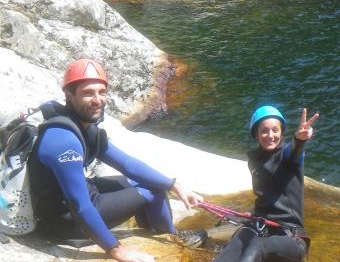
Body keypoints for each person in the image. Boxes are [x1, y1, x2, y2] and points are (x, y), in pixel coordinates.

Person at [28, 59, 207, 262]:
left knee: (150, 183)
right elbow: (80, 206)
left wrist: (175, 185)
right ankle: (170, 238)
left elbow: (127, 164)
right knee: (153, 192)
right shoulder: (64, 141)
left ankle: (154, 231)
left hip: (72, 201)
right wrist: (115, 249)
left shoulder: (83, 127)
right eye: (88, 93)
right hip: (67, 222)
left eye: (101, 92)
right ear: (69, 95)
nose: (97, 100)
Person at [213, 105, 319, 262]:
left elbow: (295, 150)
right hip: (261, 226)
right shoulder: (255, 160)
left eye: (275, 130)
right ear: (256, 134)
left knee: (257, 246)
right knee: (235, 244)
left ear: (282, 132)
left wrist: (299, 139)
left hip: (291, 238)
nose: (270, 135)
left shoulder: (287, 157)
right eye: (264, 130)